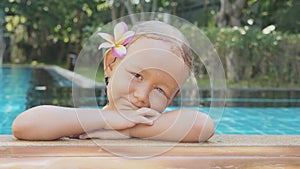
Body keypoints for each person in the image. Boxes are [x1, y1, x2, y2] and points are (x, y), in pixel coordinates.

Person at [12, 21, 214, 142]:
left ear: (172, 98)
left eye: (160, 91)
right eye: (137, 76)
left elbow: (202, 126)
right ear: (110, 64)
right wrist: (108, 120)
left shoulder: (155, 125)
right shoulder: (83, 121)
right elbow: (24, 125)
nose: (142, 96)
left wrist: (128, 129)